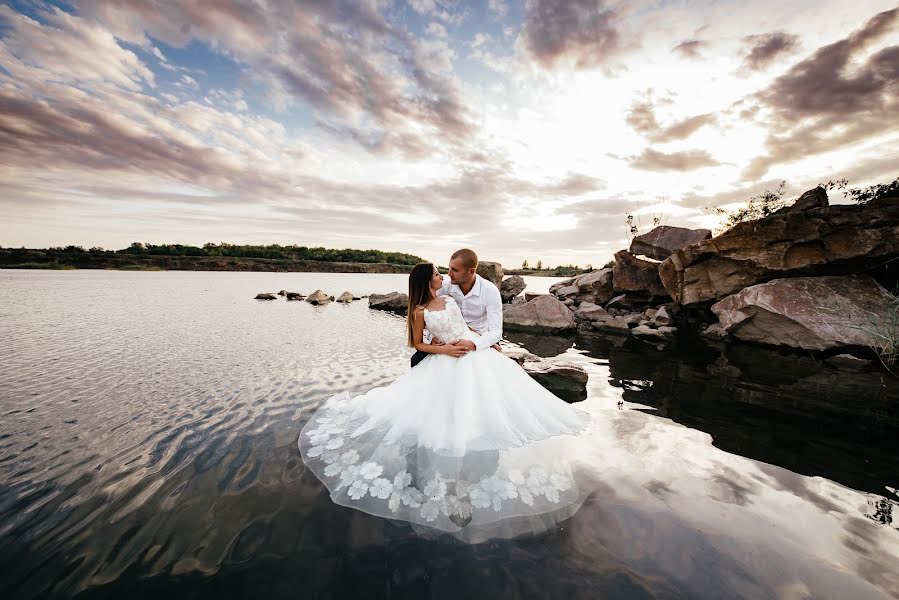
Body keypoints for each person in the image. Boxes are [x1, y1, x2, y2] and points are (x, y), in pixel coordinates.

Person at [297, 254, 596, 542]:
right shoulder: (419, 311)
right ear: (429, 281)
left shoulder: (453, 297)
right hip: (445, 358)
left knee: (489, 399)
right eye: (440, 274)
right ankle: (451, 468)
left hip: (469, 352)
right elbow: (416, 343)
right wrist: (442, 348)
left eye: (448, 271)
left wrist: (482, 343)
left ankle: (473, 450)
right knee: (442, 408)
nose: (445, 276)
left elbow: (469, 326)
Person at [409, 248, 502, 368]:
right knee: (416, 362)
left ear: (471, 271)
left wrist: (480, 343)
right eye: (449, 268)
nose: (448, 274)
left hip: (478, 336)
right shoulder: (445, 286)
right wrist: (433, 338)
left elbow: (496, 331)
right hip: (446, 341)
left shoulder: (489, 291)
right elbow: (430, 314)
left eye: (455, 270)